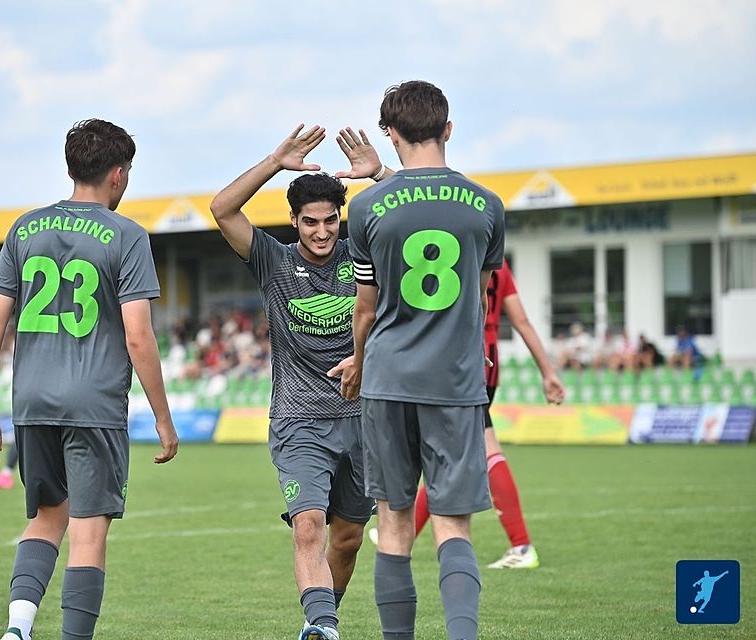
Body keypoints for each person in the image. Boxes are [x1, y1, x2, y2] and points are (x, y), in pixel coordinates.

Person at [0, 118, 178, 640]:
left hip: (33, 401)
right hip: (94, 403)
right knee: (88, 535)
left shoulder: (25, 228)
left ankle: (18, 628)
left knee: (45, 519)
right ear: (117, 174)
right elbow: (138, 337)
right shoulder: (127, 235)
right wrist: (161, 416)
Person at [333, 80, 505, 640]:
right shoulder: (487, 207)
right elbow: (481, 296)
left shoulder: (365, 208)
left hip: (387, 378)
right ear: (448, 129)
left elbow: (364, 309)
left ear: (391, 134)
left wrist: (359, 362)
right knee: (453, 525)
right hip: (455, 382)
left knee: (393, 521)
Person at [210, 125, 375, 640]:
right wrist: (275, 162)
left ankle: (323, 614)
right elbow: (222, 209)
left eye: (330, 221)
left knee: (346, 540)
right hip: (298, 419)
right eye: (310, 223)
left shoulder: (363, 256)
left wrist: (382, 174)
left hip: (363, 420)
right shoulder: (273, 260)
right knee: (308, 524)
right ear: (294, 221)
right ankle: (322, 627)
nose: (322, 232)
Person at [383, 259, 565, 568]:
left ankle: (521, 546)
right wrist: (547, 372)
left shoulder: (453, 253)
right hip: (488, 362)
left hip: (462, 363)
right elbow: (520, 320)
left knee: (479, 446)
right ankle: (407, 531)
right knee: (451, 452)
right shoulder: (498, 262)